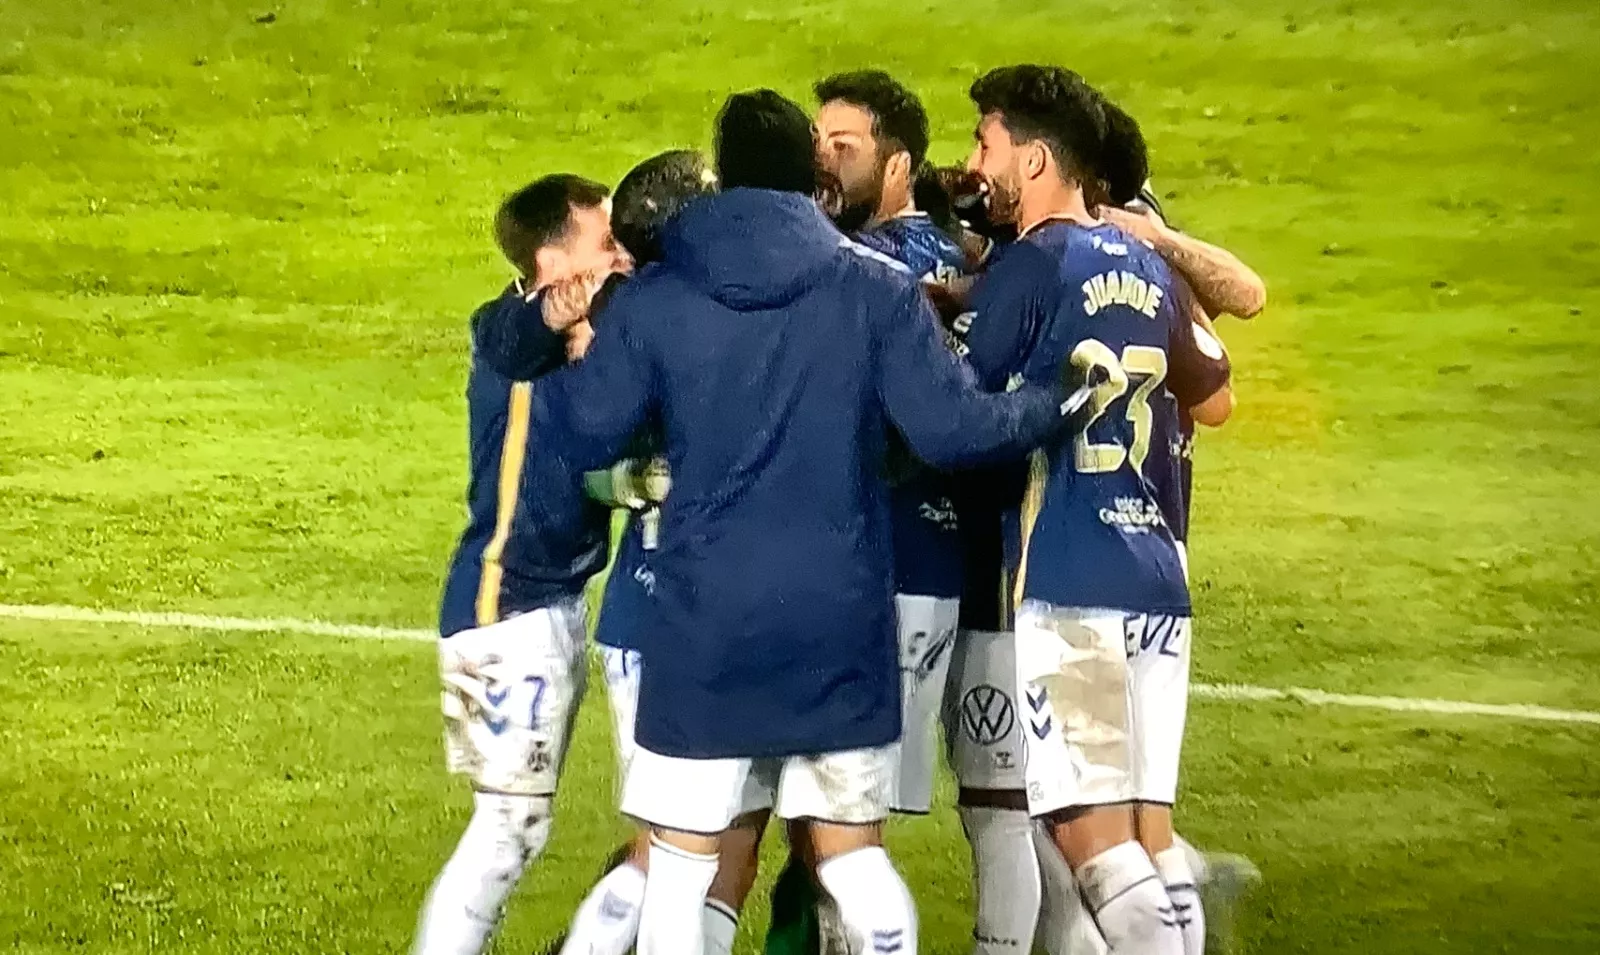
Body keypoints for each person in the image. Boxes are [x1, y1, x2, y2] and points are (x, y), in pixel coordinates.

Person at [527, 88, 1081, 955]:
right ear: (808, 173)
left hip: (704, 616)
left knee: (679, 861)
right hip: (836, 614)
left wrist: (539, 341)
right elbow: (952, 429)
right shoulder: (876, 288)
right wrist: (1054, 402)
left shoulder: (662, 297)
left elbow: (584, 426)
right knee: (851, 859)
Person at [958, 65, 1233, 955]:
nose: (974, 164)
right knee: (1149, 835)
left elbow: (969, 405)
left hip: (1071, 581)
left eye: (986, 145)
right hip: (1157, 573)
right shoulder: (1150, 261)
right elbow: (1208, 389)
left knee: (1091, 841)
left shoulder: (1030, 265)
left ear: (1035, 159)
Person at [415, 174, 629, 955]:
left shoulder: (584, 337)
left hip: (549, 608)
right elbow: (520, 328)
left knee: (518, 828)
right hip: (503, 612)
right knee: (508, 829)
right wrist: (562, 307)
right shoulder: (510, 330)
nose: (620, 251)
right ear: (552, 259)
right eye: (603, 239)